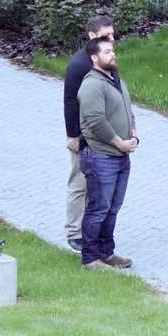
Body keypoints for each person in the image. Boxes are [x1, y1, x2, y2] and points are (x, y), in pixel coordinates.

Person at [77, 37, 139, 270]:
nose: (112, 54)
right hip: (101, 156)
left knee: (112, 208)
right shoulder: (92, 84)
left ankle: (106, 252)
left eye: (113, 51)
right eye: (106, 52)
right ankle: (90, 258)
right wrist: (118, 143)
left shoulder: (115, 80)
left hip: (121, 156)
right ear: (94, 58)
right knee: (98, 208)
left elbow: (127, 110)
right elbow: (96, 121)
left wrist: (133, 133)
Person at [61, 15, 115, 253]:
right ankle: (74, 232)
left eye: (113, 35)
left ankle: (94, 231)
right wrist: (73, 136)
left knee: (101, 186)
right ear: (92, 36)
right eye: (106, 36)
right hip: (84, 137)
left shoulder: (108, 60)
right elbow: (70, 103)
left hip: (105, 135)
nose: (112, 40)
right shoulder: (79, 65)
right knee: (79, 182)